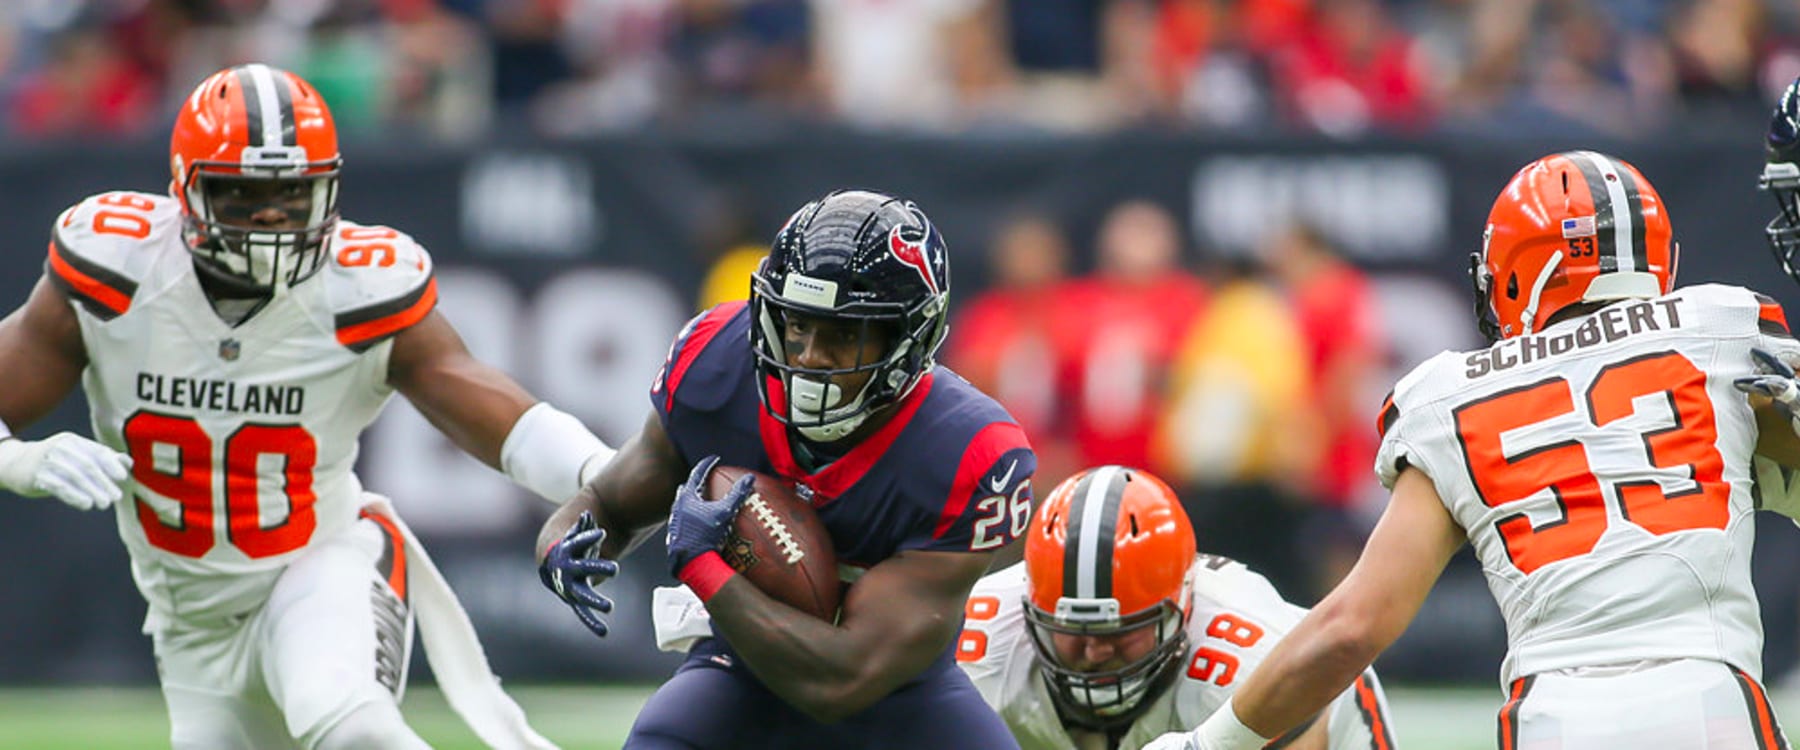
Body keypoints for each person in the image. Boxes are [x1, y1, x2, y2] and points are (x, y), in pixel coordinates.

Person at [0, 64, 615, 750]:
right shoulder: (117, 267)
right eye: (243, 194)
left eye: (293, 194)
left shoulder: (358, 288)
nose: (271, 215)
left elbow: (499, 417)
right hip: (191, 629)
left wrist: (613, 476)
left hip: (321, 564)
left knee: (353, 727)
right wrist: (18, 458)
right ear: (186, 189)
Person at [1146, 149, 1800, 750]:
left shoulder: (1449, 398)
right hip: (1713, 701)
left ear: (1515, 270)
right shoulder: (1720, 332)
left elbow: (1352, 626)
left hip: (1556, 716)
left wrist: (1211, 743)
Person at [535, 189, 1038, 748]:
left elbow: (844, 679)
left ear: (909, 340)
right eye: (798, 324)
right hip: (742, 674)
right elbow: (606, 505)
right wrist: (560, 545)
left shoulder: (966, 453)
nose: (809, 356)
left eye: (845, 334)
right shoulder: (718, 365)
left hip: (901, 700)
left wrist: (704, 565)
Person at [957, 465, 1394, 750]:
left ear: (1183, 608)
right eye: (1072, 630)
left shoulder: (1248, 659)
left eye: (1119, 631)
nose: (1095, 652)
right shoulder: (977, 644)